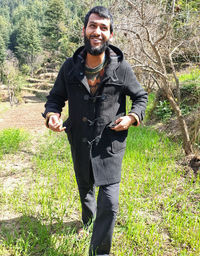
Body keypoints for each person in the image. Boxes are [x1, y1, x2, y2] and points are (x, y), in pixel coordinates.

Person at [43, 6, 148, 256]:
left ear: (110, 34)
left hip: (110, 144)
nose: (97, 31)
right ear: (84, 30)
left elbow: (141, 97)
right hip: (79, 139)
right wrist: (52, 115)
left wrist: (132, 117)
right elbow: (55, 98)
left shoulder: (121, 68)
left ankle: (99, 252)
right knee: (85, 187)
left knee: (109, 203)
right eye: (93, 26)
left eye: (103, 27)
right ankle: (88, 222)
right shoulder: (69, 67)